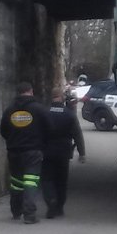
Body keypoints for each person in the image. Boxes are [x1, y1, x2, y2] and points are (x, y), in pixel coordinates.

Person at [0, 81, 51, 224]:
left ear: (18, 93)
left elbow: (3, 130)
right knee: (30, 182)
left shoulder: (9, 110)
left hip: (14, 151)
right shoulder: (39, 110)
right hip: (33, 151)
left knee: (16, 181)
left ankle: (16, 211)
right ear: (31, 92)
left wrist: (13, 141)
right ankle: (29, 214)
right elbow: (50, 128)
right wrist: (42, 143)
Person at [42, 87, 86, 218]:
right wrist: (82, 153)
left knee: (47, 179)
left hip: (47, 151)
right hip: (64, 152)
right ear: (61, 98)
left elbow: (37, 132)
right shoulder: (69, 114)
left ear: (51, 98)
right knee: (61, 180)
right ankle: (60, 206)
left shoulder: (44, 113)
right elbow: (77, 134)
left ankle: (51, 201)